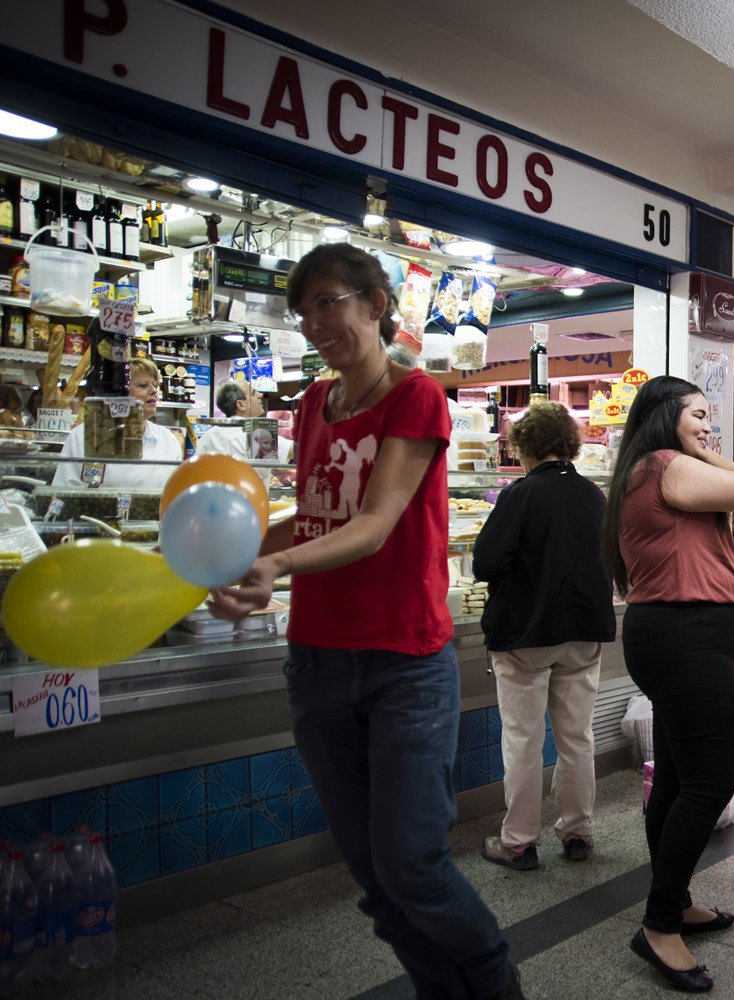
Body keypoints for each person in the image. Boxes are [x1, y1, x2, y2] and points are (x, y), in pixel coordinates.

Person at [206, 243, 524, 1000]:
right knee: (376, 881)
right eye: (304, 309)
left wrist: (276, 568)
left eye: (330, 302)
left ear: (375, 303)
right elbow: (317, 516)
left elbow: (377, 522)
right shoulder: (314, 404)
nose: (316, 322)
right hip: (315, 663)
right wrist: (237, 551)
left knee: (412, 863)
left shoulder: (416, 396)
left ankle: (493, 983)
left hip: (402, 663)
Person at [601, 374, 734, 994]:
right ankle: (660, 925)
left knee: (673, 779)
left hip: (678, 635)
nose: (706, 425)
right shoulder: (667, 465)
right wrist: (697, 447)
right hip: (684, 636)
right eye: (697, 413)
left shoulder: (645, 470)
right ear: (665, 416)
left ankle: (673, 897)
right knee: (709, 783)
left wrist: (696, 441)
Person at [472, 400, 616, 872]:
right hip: (583, 632)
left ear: (524, 448)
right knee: (577, 737)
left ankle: (518, 841)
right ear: (570, 445)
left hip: (525, 634)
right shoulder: (594, 496)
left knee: (523, 739)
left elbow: (485, 564)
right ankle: (577, 833)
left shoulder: (521, 494)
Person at [52, 357, 182, 489]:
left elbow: (177, 492)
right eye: (143, 385)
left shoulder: (167, 440)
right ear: (118, 392)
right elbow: (64, 491)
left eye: (155, 385)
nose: (154, 390)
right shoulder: (83, 436)